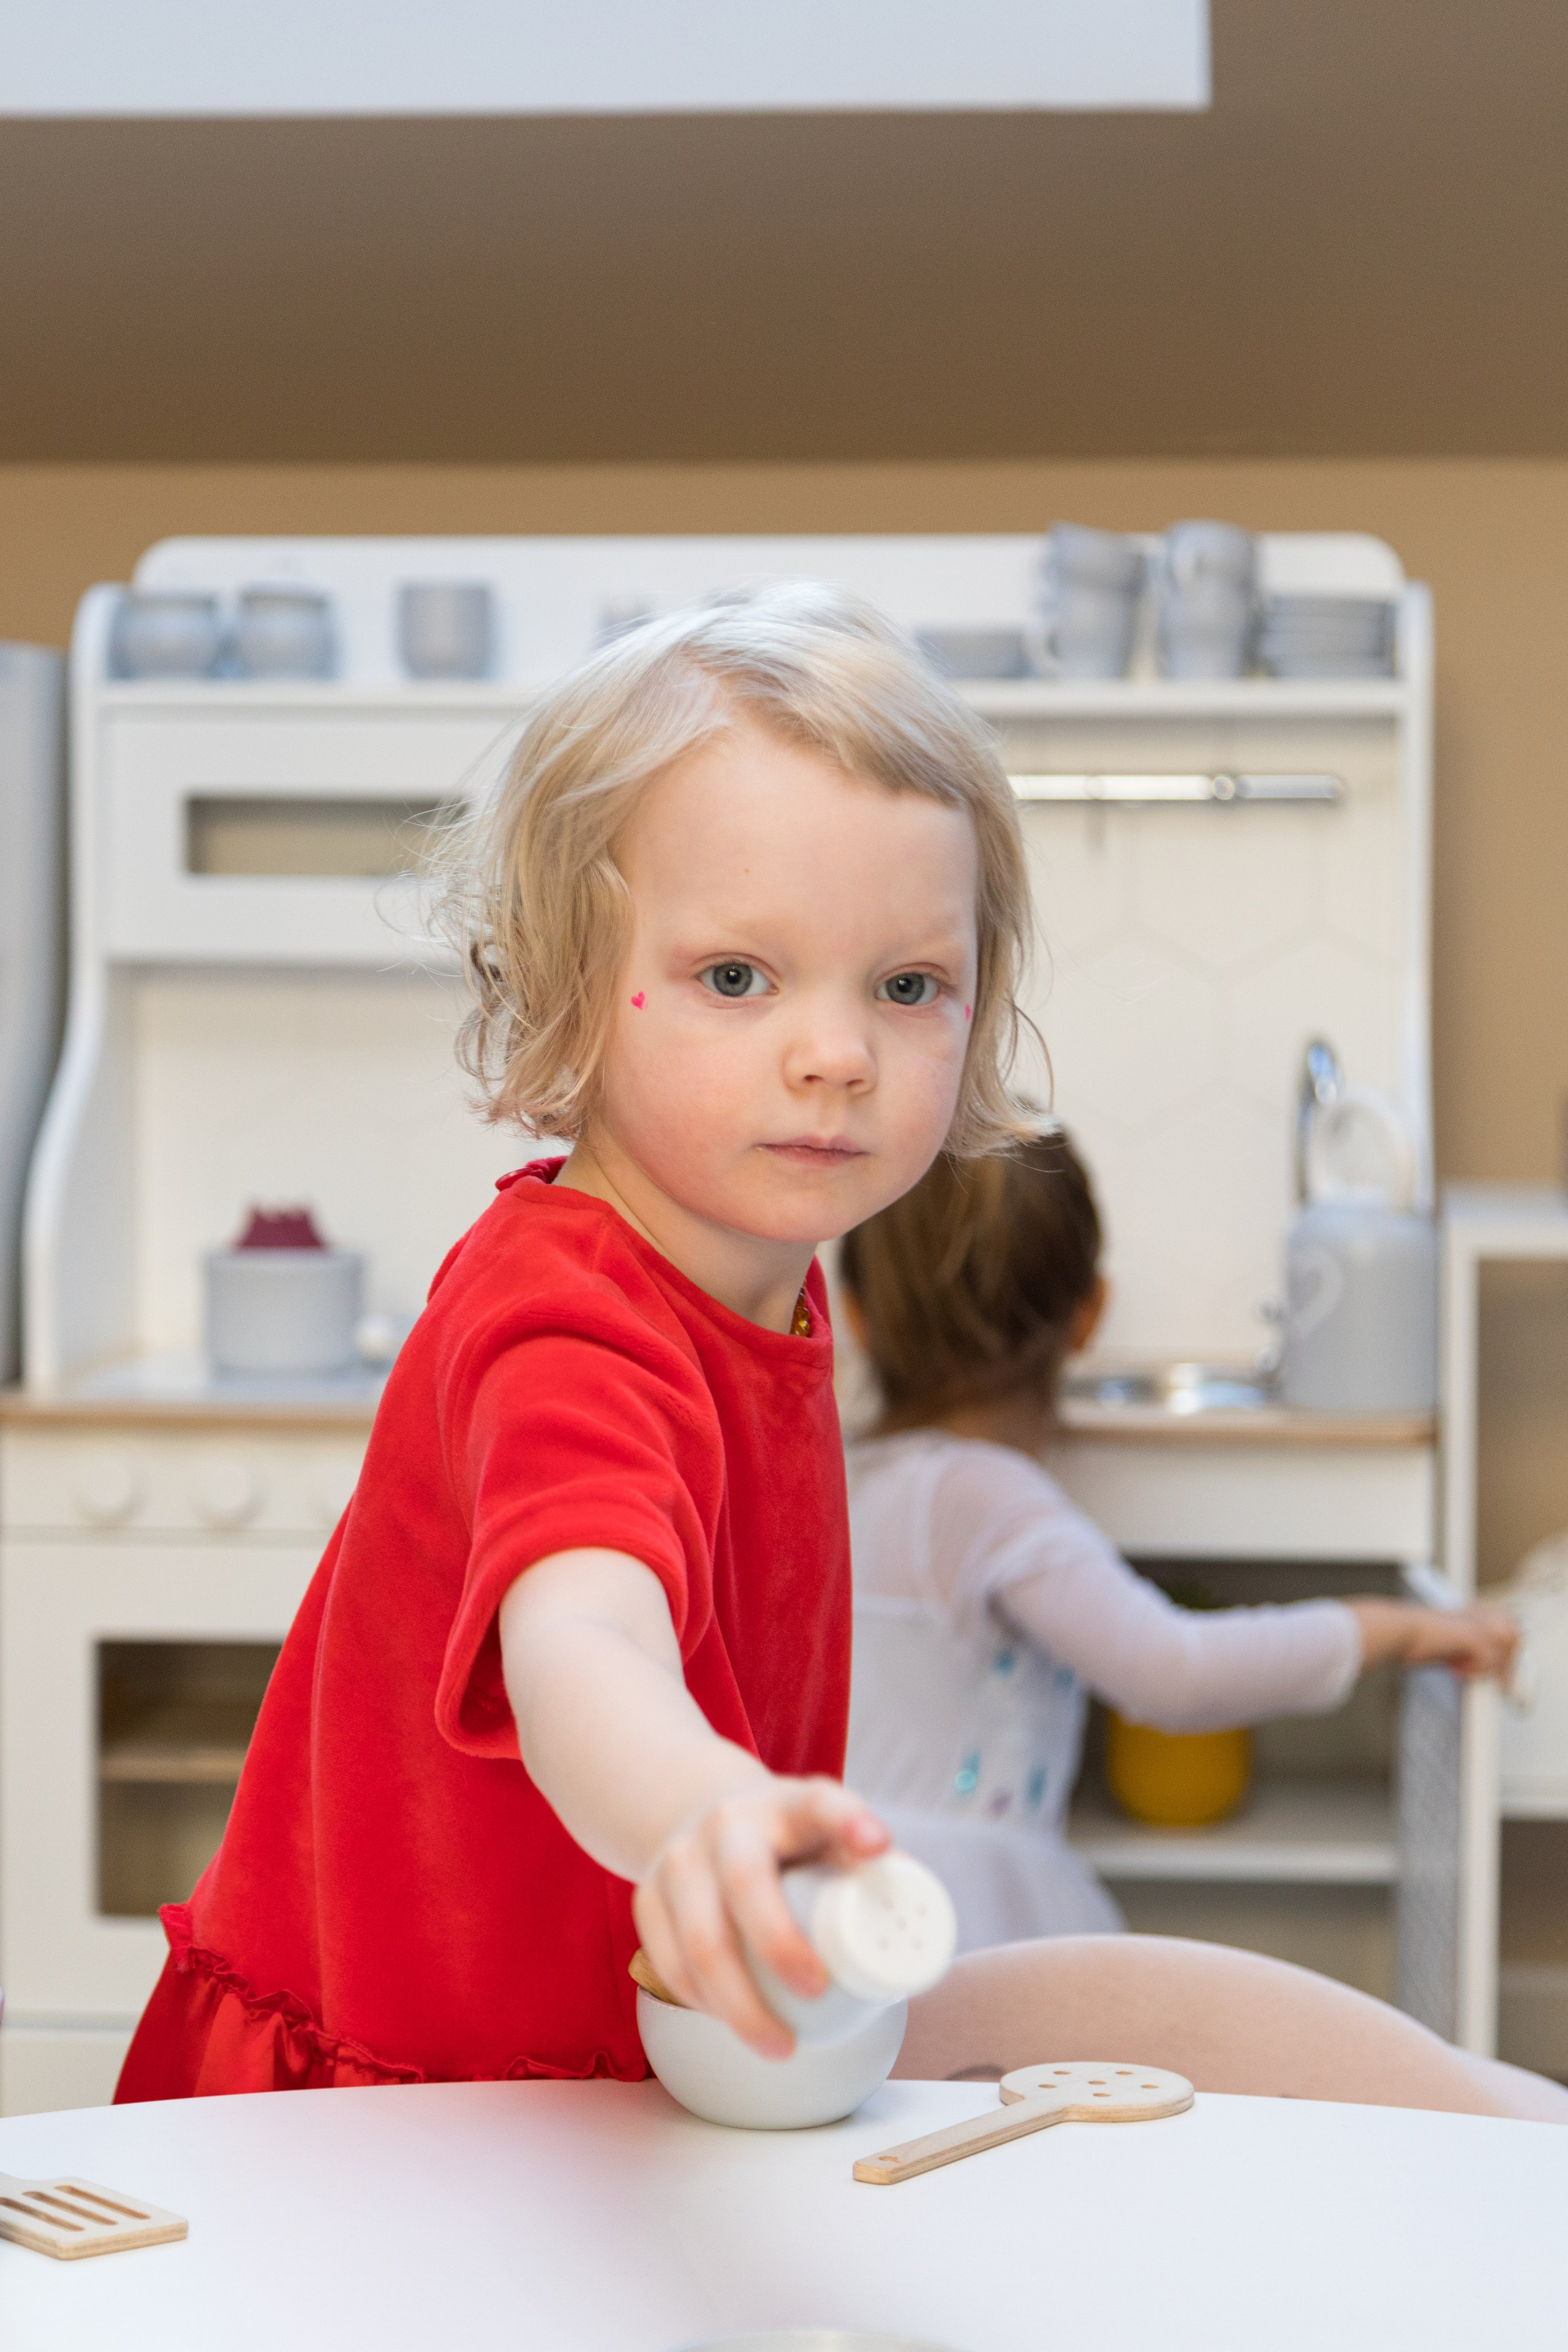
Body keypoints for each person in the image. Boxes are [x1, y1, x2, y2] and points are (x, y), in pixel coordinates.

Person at [113, 586, 1565, 2123]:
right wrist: (701, 1815)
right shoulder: (571, 1320)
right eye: (738, 977)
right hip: (401, 2119)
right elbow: (580, 1642)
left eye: (904, 984)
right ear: (565, 985)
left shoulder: (759, 1289)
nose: (837, 1051)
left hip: (612, 2070)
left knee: (1165, 2021)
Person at [838, 1131, 1520, 1950]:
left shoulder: (834, 1474)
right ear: (1090, 1312)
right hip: (964, 1920)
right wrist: (1388, 1626)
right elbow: (1175, 1673)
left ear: (856, 1317)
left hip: (830, 1892)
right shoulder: (991, 1499)